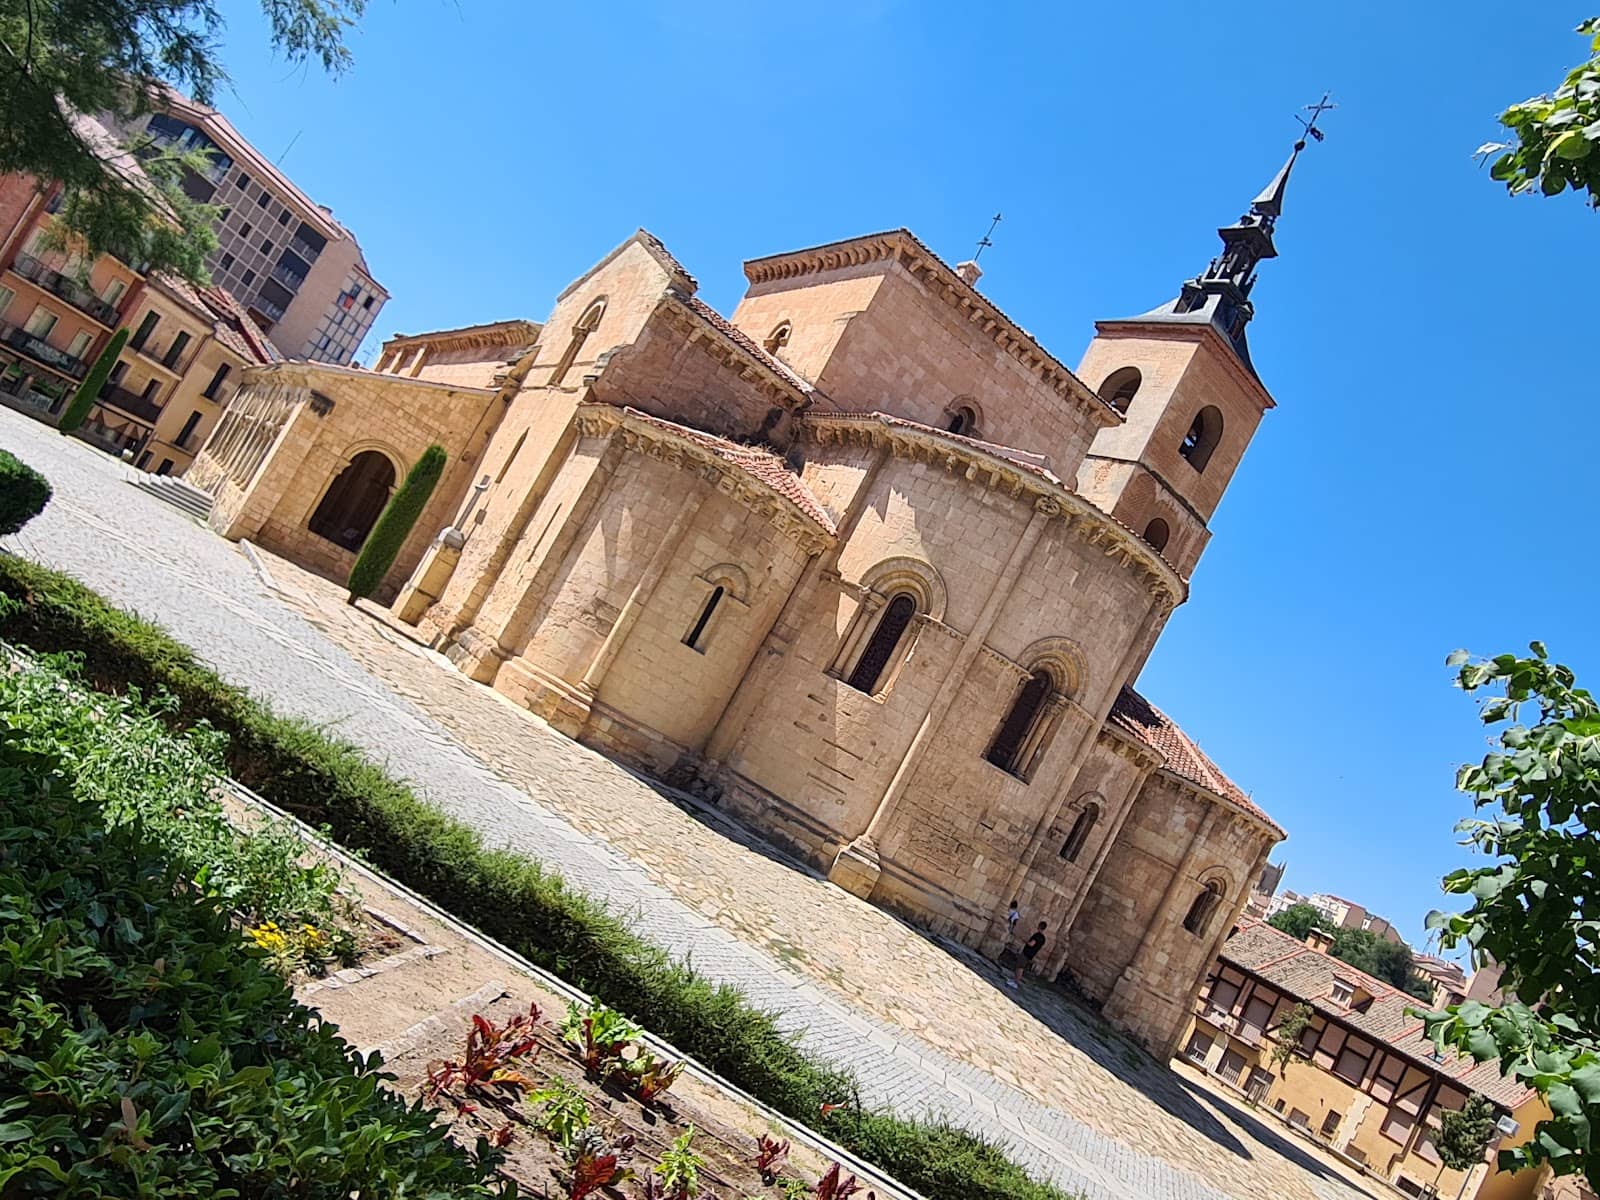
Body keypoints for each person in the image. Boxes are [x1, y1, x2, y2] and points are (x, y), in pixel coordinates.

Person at [1010, 920, 1047, 989]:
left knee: (1020, 967)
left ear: (1039, 926)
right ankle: (1015, 981)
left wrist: (1024, 940)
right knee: (1020, 967)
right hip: (1031, 954)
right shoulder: (1043, 938)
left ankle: (1016, 982)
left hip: (1026, 953)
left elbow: (1031, 944)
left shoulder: (1037, 935)